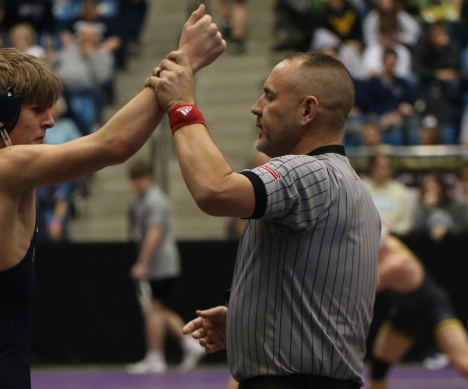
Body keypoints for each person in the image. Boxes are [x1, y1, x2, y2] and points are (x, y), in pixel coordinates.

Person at [0, 5, 226, 387]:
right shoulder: (0, 169)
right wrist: (181, 65)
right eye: (37, 109)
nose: (50, 121)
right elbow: (112, 145)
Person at [147, 51, 381, 388]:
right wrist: (249, 321)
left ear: (307, 110)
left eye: (270, 96)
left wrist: (182, 106)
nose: (256, 107)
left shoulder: (308, 171)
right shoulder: (353, 188)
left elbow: (214, 190)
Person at [125, 160, 205, 374]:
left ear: (150, 178)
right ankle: (160, 355)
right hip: (155, 267)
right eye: (135, 180)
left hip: (161, 266)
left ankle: (170, 351)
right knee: (155, 310)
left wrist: (142, 263)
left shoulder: (155, 201)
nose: (138, 184)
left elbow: (155, 233)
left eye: (142, 178)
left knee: (154, 310)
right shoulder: (139, 203)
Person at [370, 230, 468, 389]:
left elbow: (368, 287)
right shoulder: (386, 244)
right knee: (378, 369)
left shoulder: (397, 262)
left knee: (463, 363)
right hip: (407, 313)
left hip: (434, 310)